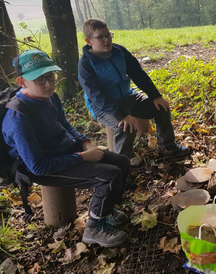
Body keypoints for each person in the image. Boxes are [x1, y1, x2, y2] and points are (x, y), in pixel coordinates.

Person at [2, 49, 131, 247]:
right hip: (42, 166)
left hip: (62, 151)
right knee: (109, 176)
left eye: (51, 77)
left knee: (121, 162)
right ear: (22, 82)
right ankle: (94, 228)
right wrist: (83, 157)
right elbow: (38, 167)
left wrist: (85, 142)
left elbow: (65, 125)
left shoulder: (50, 97)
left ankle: (106, 210)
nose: (48, 84)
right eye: (40, 79)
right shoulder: (19, 118)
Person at [78, 18, 190, 159]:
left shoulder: (120, 51)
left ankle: (167, 146)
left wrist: (155, 95)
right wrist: (120, 114)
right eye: (101, 37)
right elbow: (96, 95)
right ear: (89, 41)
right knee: (124, 126)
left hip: (128, 96)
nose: (107, 40)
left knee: (162, 108)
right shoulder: (86, 63)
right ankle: (123, 164)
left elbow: (138, 74)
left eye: (108, 35)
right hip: (103, 106)